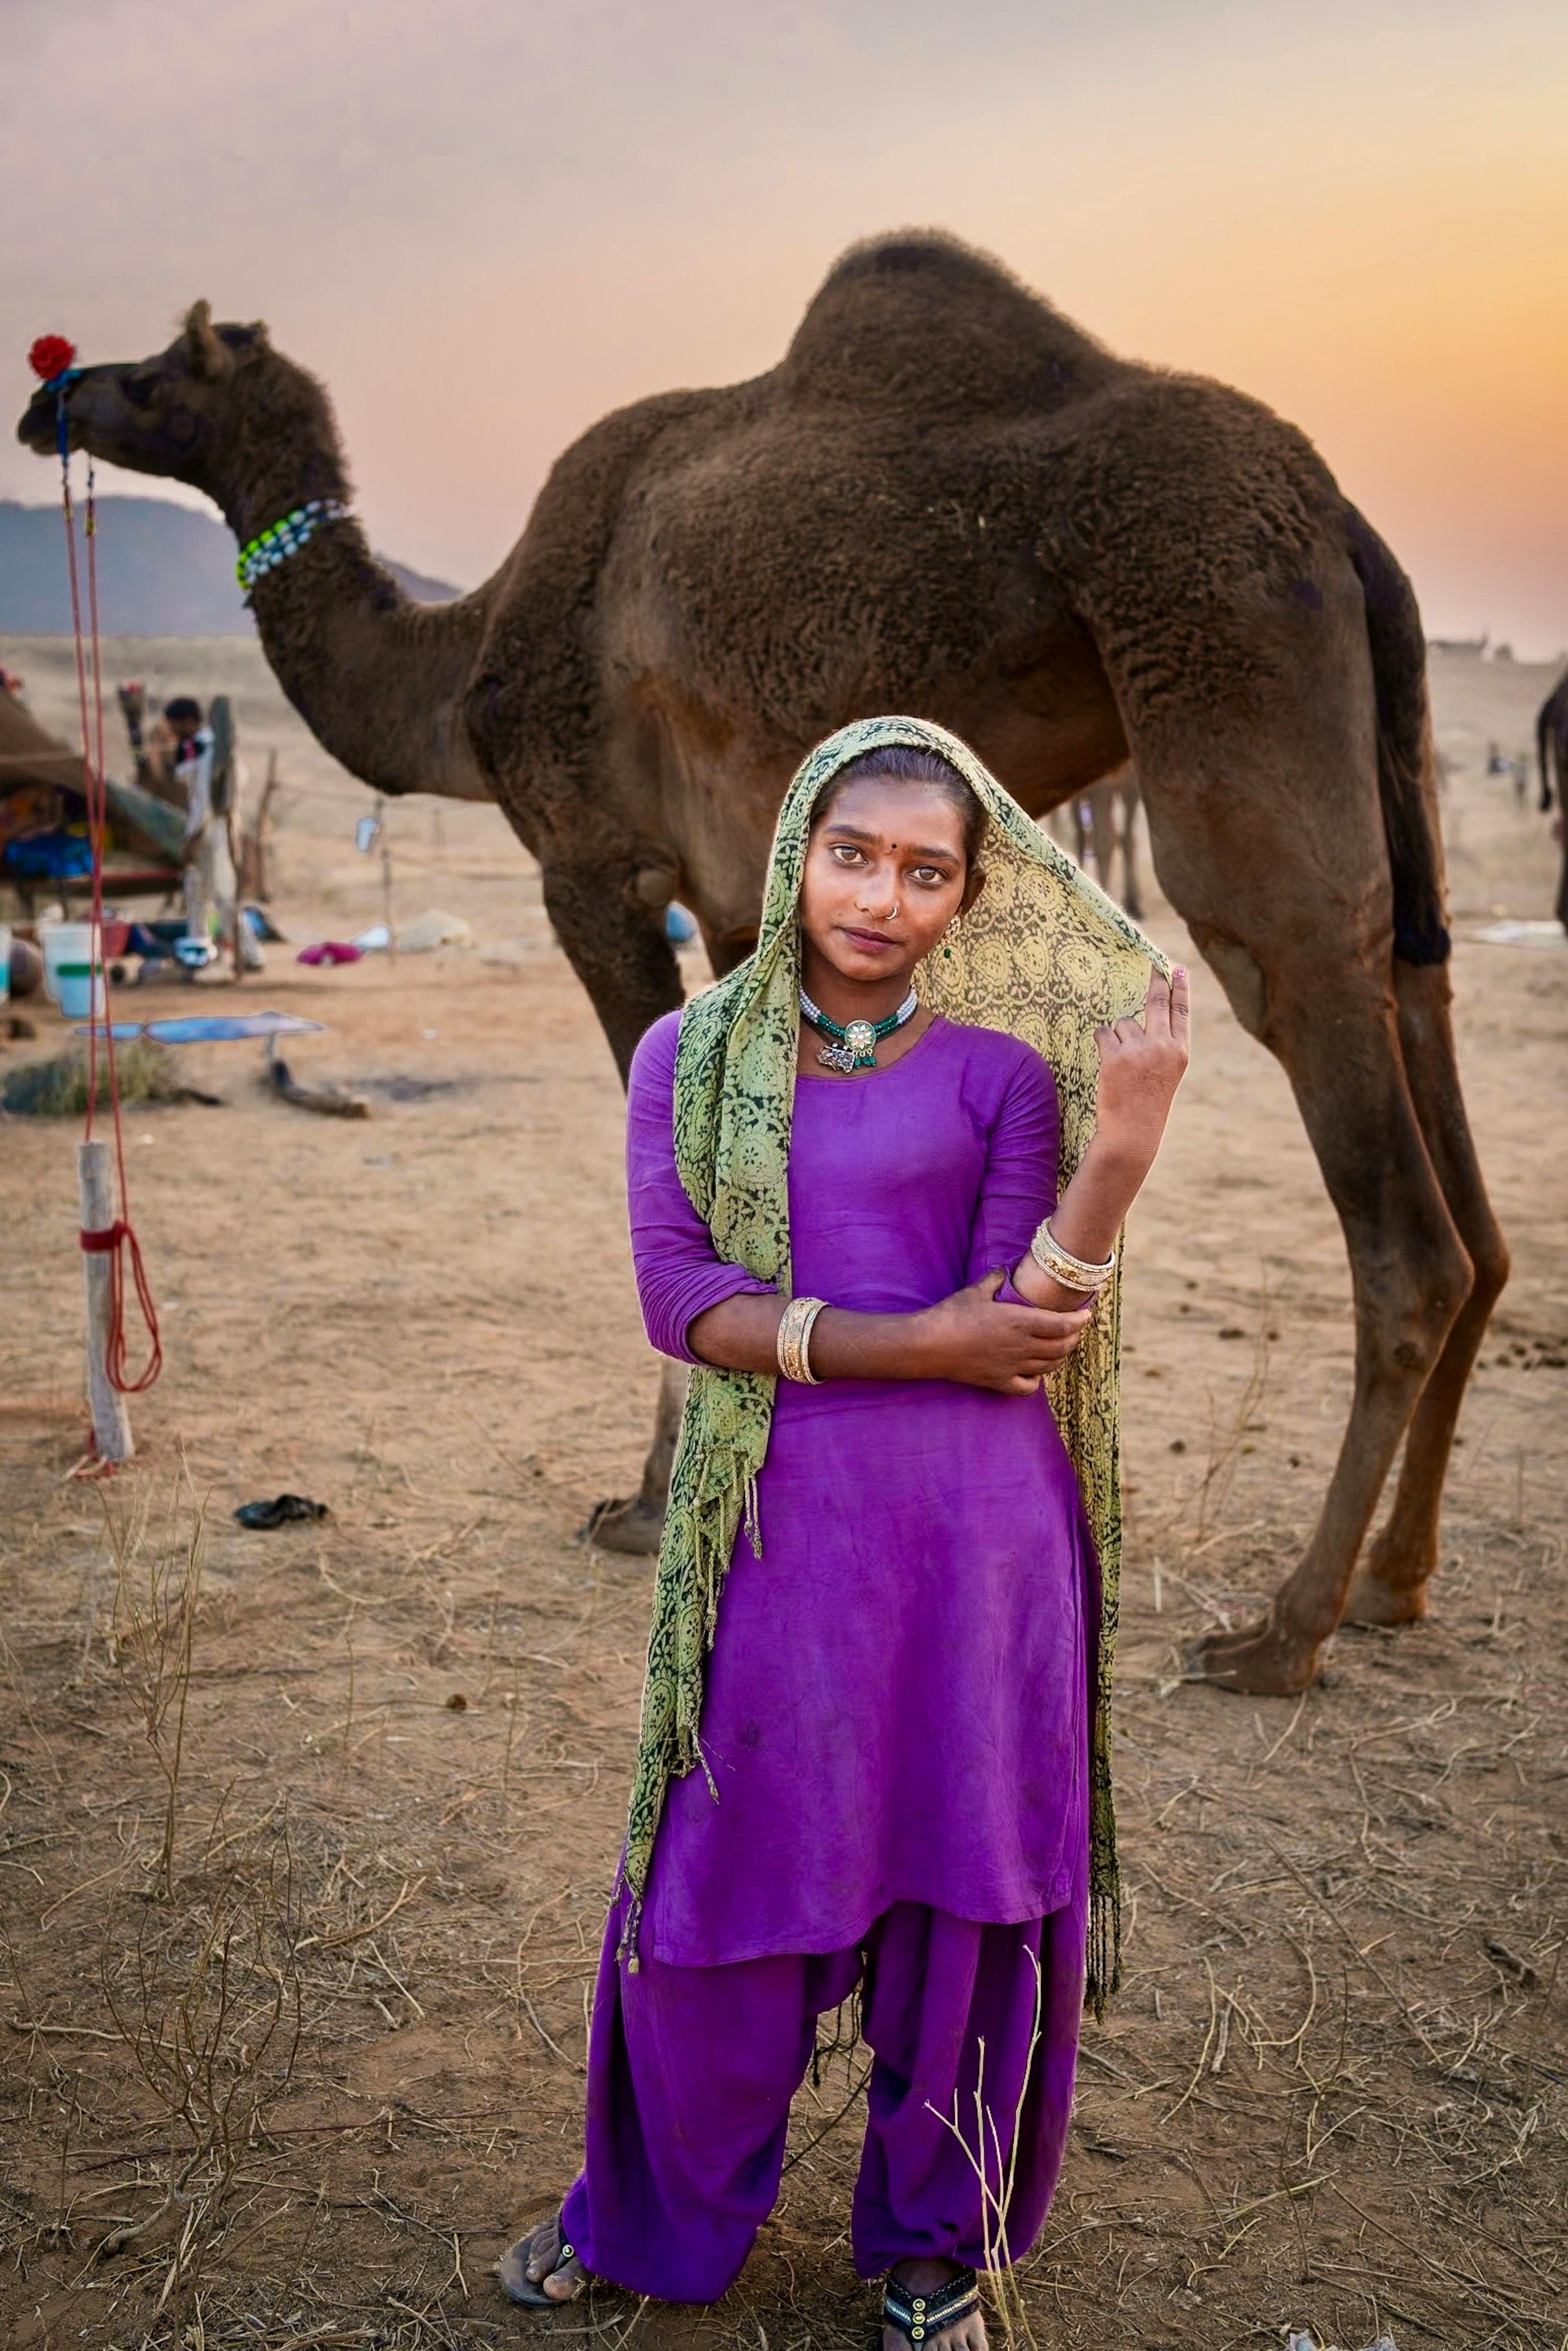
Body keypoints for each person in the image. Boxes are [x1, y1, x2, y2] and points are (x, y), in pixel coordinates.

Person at [498, 717, 1190, 2348]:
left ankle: (934, 2240)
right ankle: (658, 2217)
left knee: (968, 1887)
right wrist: (914, 1341)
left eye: (926, 869)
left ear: (969, 892)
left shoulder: (1005, 1077)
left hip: (982, 1550)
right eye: (854, 854)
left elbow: (1037, 1328)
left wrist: (1125, 1150)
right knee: (722, 1875)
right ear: (798, 848)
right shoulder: (692, 1061)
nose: (882, 895)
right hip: (784, 1536)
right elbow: (684, 1301)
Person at [167, 694, 263, 972]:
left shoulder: (212, 750)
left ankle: (251, 954)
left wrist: (194, 836)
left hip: (213, 829)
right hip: (208, 828)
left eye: (175, 725)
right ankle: (199, 954)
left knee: (223, 894)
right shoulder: (200, 748)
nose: (172, 731)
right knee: (197, 893)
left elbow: (207, 799)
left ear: (188, 722)